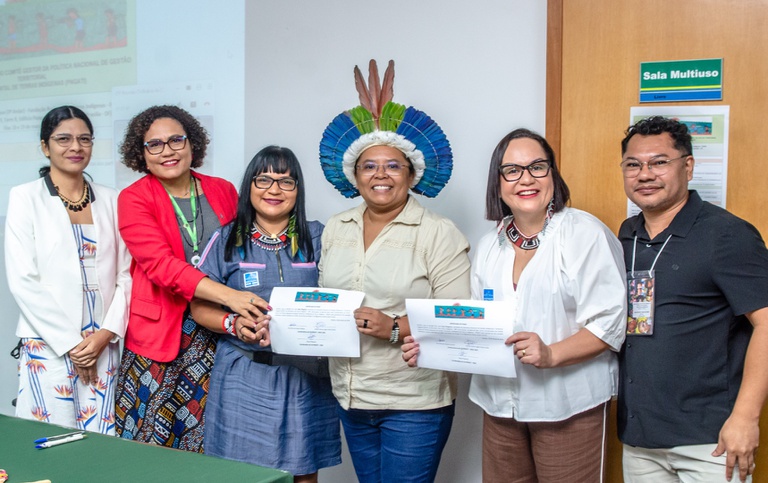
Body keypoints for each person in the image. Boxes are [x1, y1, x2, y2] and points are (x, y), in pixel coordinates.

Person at [404, 128, 627, 483]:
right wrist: (432, 347)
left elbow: (609, 324)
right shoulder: (489, 245)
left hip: (567, 406)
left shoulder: (585, 234)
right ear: (499, 181)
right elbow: (477, 325)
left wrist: (551, 354)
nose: (526, 179)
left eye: (537, 167)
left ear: (552, 173)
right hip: (500, 407)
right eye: (512, 170)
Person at [318, 59, 471, 483]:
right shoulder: (336, 227)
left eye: (392, 165)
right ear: (354, 174)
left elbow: (459, 314)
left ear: (411, 174)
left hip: (414, 401)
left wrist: (395, 327)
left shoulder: (438, 232)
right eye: (369, 166)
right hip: (350, 395)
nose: (380, 174)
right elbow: (325, 299)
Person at [617, 116, 768, 483]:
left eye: (659, 162)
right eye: (633, 165)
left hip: (710, 441)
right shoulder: (626, 234)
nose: (645, 174)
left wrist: (746, 418)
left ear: (688, 167)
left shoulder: (727, 234)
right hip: (639, 439)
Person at [114, 105, 269, 451]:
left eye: (175, 140)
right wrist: (230, 296)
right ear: (141, 154)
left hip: (220, 332)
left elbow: (243, 252)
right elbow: (160, 265)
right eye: (154, 144)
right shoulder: (133, 198)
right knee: (147, 446)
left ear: (192, 143)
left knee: (211, 444)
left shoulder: (223, 190)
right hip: (160, 338)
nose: (167, 150)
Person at [190, 146, 340, 482]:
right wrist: (233, 323)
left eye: (286, 182)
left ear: (298, 189)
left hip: (305, 376)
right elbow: (198, 305)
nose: (274, 190)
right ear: (249, 186)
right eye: (264, 180)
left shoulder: (320, 236)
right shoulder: (227, 239)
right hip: (244, 373)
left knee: (303, 471)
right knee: (242, 473)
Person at [5, 105, 131, 434]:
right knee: (50, 440)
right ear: (45, 147)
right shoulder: (24, 197)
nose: (75, 147)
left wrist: (105, 335)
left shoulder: (112, 199)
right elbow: (23, 280)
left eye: (84, 139)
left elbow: (126, 275)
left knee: (105, 442)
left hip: (102, 344)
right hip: (49, 345)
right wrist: (72, 345)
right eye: (63, 139)